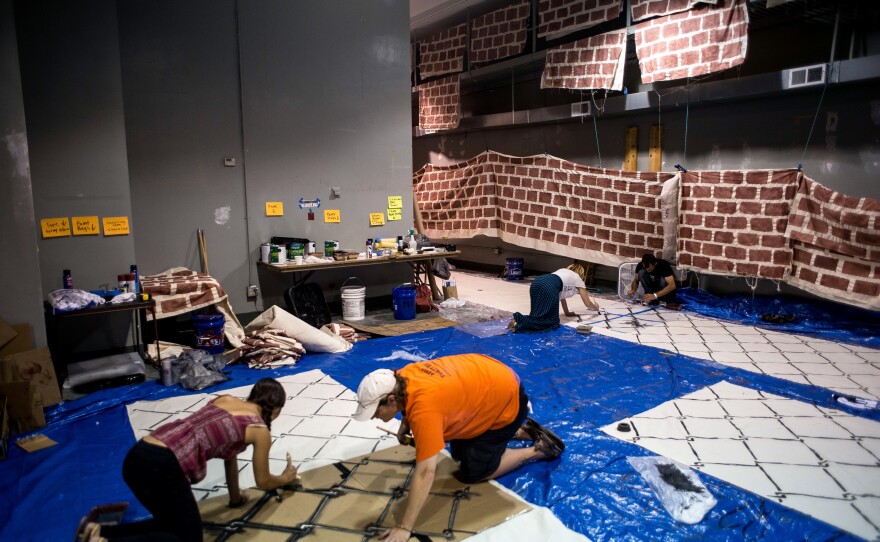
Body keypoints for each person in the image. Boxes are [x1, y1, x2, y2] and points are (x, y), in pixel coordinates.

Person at [352, 353, 565, 542]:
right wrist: (405, 424)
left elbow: (426, 471)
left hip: (507, 397)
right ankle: (518, 430)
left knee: (473, 472)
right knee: (458, 452)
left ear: (390, 400)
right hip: (494, 377)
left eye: (375, 412)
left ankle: (539, 448)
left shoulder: (425, 410)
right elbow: (410, 400)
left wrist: (404, 528)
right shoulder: (402, 377)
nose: (374, 418)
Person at [76, 378, 299, 542]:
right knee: (187, 537)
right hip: (164, 466)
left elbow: (229, 457)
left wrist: (236, 499)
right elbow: (263, 480)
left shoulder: (226, 400)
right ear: (276, 410)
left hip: (140, 454)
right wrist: (285, 477)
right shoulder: (259, 429)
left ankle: (99, 531)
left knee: (168, 524)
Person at [507, 262, 599, 333]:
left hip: (537, 282)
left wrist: (567, 312)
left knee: (537, 314)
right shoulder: (578, 279)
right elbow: (587, 303)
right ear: (581, 273)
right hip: (550, 285)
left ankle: (521, 321)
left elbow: (562, 296)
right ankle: (519, 320)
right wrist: (595, 307)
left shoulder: (563, 272)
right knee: (551, 322)